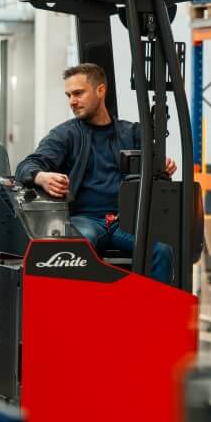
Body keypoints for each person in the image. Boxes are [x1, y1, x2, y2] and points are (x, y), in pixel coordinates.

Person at [16, 63, 177, 282]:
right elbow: (27, 165)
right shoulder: (65, 135)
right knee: (80, 247)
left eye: (78, 93)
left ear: (100, 90)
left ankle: (156, 313)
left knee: (162, 250)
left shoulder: (131, 133)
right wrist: (41, 177)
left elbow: (154, 165)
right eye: (69, 95)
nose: (72, 101)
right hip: (85, 220)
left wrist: (163, 166)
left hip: (125, 222)